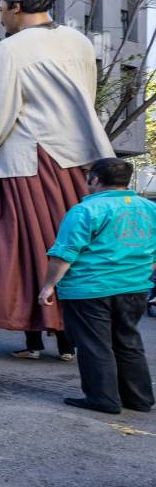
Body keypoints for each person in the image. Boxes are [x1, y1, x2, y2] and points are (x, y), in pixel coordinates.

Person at [0, 0, 111, 361]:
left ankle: (33, 338)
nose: (1, 16)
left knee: (22, 245)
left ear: (18, 7)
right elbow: (86, 96)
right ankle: (70, 338)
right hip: (74, 156)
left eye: (2, 9)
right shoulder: (78, 41)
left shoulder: (9, 49)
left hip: (28, 157)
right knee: (73, 244)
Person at [38, 159, 156, 414]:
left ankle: (103, 398)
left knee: (95, 344)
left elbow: (64, 254)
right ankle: (139, 398)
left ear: (94, 179)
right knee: (128, 342)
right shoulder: (150, 208)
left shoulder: (84, 211)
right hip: (134, 287)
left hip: (90, 288)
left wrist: (48, 286)